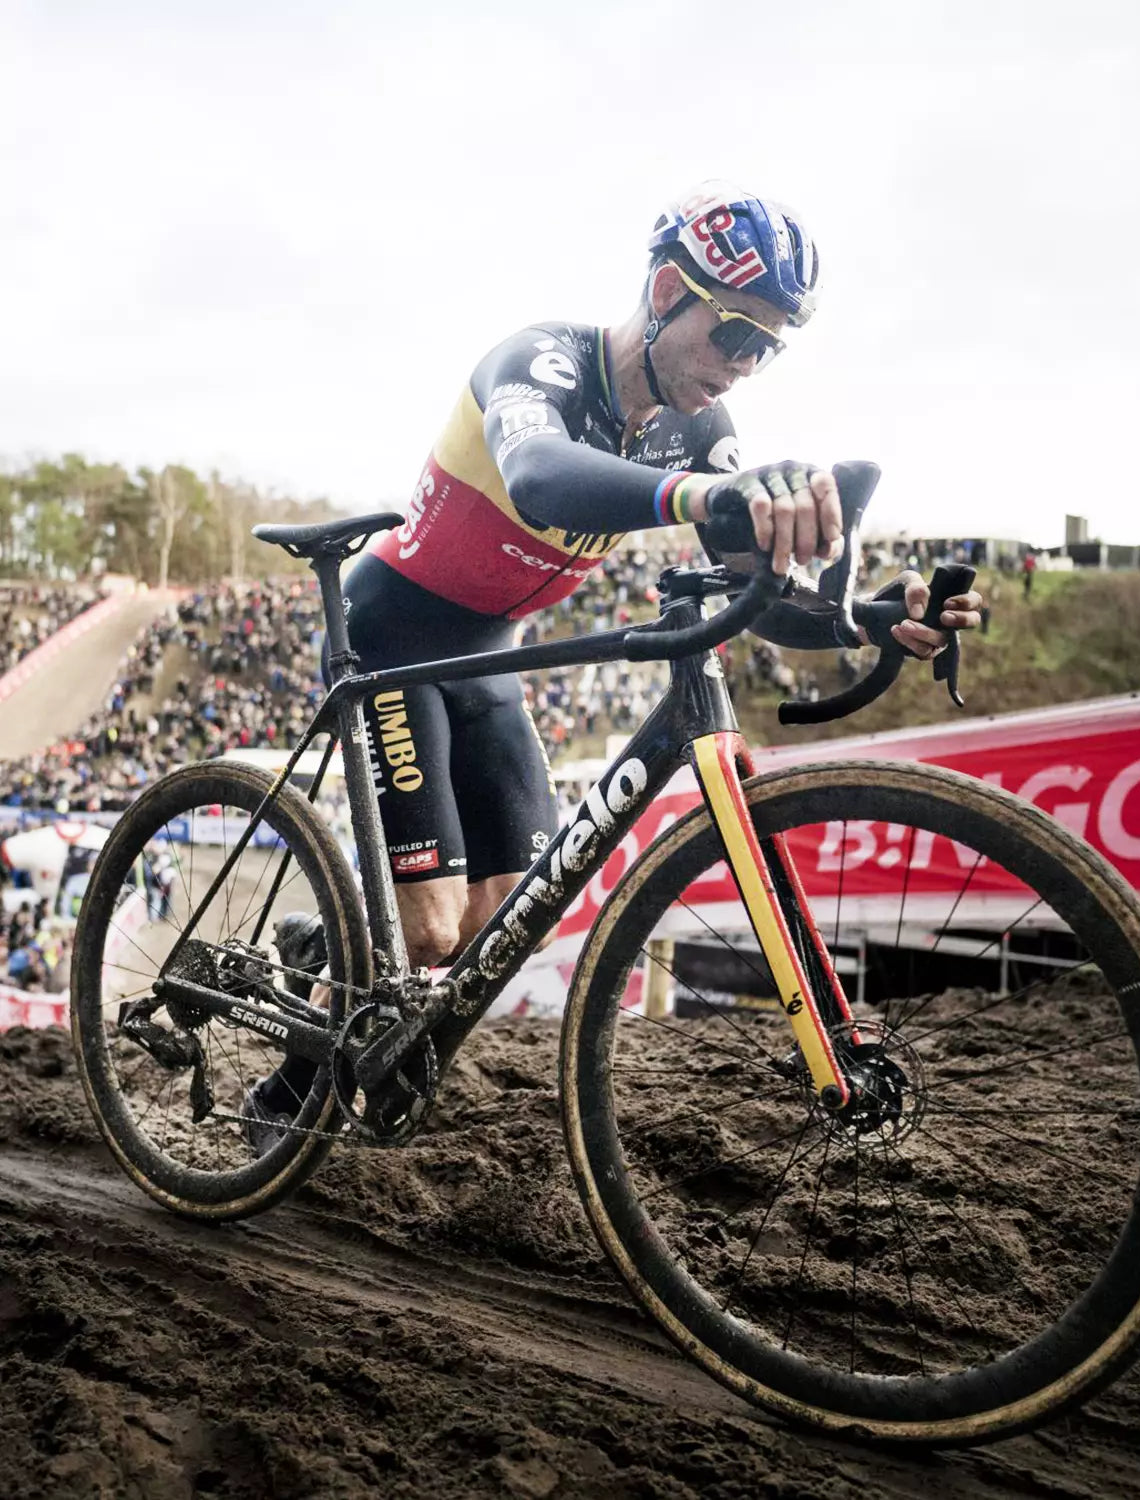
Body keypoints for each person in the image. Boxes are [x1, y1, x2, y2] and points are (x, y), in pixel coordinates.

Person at [243, 181, 982, 1150]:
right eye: (735, 336)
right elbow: (542, 475)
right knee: (423, 933)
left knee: (505, 926)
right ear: (669, 289)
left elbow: (756, 589)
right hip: (393, 636)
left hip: (488, 663)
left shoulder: (699, 430)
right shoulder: (543, 362)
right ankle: (286, 1088)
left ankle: (323, 949)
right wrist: (710, 499)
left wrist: (879, 619)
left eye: (769, 347)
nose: (747, 368)